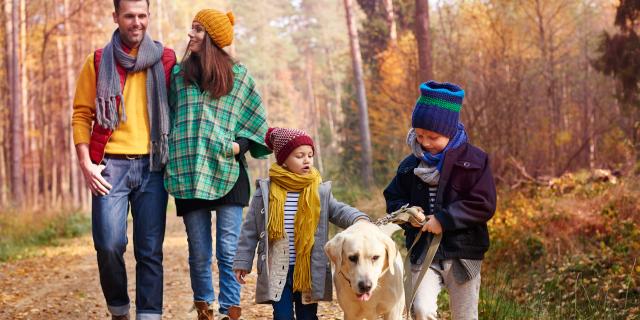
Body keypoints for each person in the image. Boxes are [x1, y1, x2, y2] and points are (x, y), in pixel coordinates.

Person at [163, 8, 271, 320]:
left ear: (212, 38)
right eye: (192, 28)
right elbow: (168, 116)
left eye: (197, 30)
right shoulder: (178, 76)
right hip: (189, 172)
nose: (190, 35)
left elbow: (256, 122)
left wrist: (239, 145)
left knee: (228, 249)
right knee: (198, 252)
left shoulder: (239, 77)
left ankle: (230, 311)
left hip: (228, 170)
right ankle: (205, 309)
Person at [71, 0, 176, 319]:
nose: (136, 22)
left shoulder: (166, 59)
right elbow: (81, 114)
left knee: (149, 252)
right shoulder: (99, 60)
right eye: (129, 16)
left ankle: (149, 314)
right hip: (109, 166)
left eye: (142, 15)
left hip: (153, 166)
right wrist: (86, 163)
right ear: (115, 17)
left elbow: (188, 100)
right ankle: (119, 309)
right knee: (108, 244)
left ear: (149, 16)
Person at [383, 81, 496, 320]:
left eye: (432, 137)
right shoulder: (409, 165)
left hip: (463, 253)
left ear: (450, 131)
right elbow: (393, 198)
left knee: (464, 316)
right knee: (421, 310)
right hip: (423, 252)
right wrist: (407, 214)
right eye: (419, 135)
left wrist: (444, 220)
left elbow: (483, 203)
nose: (424, 142)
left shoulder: (475, 161)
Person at [233, 127, 370, 320]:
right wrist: (242, 262)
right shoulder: (266, 191)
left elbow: (339, 210)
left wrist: (359, 218)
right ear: (284, 160)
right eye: (299, 155)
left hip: (308, 268)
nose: (307, 160)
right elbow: (250, 231)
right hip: (277, 268)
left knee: (307, 316)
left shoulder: (318, 191)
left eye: (310, 155)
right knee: (282, 316)